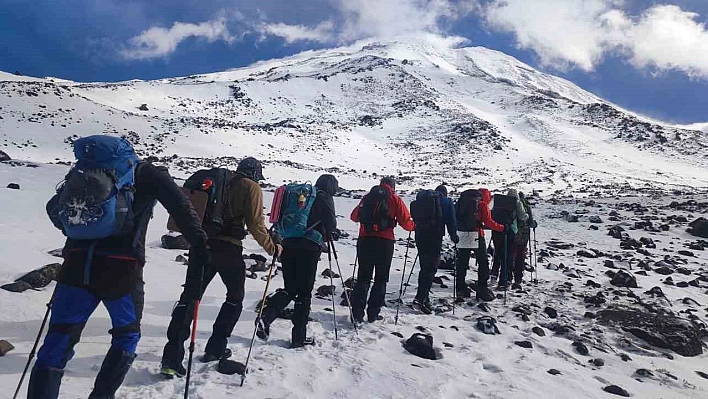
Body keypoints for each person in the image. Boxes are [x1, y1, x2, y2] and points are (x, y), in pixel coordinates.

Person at [30, 136, 210, 399]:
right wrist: (202, 249)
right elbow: (183, 211)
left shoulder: (83, 170)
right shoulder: (147, 173)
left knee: (58, 339)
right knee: (126, 336)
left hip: (76, 265)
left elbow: (54, 209)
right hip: (122, 270)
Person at [160, 157, 282, 376]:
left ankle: (171, 359)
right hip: (228, 248)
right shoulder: (251, 187)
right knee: (235, 297)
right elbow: (255, 224)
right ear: (255, 173)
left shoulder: (215, 181)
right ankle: (216, 348)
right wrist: (272, 248)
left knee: (190, 297)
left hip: (201, 244)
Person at [256, 174, 338, 347]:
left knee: (290, 288)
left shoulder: (303, 195)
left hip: (288, 243)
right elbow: (331, 225)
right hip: (309, 247)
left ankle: (267, 316)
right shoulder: (324, 197)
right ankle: (298, 337)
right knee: (304, 292)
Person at [350, 176, 415, 323]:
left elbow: (354, 217)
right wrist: (413, 226)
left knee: (363, 277)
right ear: (393, 186)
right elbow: (406, 222)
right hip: (385, 242)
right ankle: (373, 313)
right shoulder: (394, 198)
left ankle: (357, 313)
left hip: (365, 240)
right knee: (381, 279)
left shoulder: (368, 197)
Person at [411, 185, 457, 314]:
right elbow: (451, 220)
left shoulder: (422, 200)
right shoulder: (446, 201)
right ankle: (421, 298)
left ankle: (423, 297)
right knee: (431, 267)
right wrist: (453, 235)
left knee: (424, 266)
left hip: (420, 235)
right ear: (445, 193)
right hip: (435, 236)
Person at [455, 188, 505, 301]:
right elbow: (488, 222)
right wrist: (502, 228)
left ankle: (460, 288)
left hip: (463, 234)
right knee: (483, 262)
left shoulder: (463, 202)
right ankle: (482, 289)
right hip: (477, 234)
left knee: (462, 261)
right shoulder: (482, 204)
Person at [490, 189, 528, 289]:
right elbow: (522, 216)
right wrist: (527, 216)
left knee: (498, 252)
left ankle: (494, 276)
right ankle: (504, 281)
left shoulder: (499, 201)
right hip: (510, 230)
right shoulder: (517, 202)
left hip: (497, 229)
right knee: (508, 256)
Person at [512, 192, 537, 288]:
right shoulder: (526, 204)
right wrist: (534, 224)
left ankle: (507, 277)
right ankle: (518, 278)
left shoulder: (510, 204)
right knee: (520, 255)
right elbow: (530, 222)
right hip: (523, 234)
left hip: (512, 233)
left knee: (510, 254)